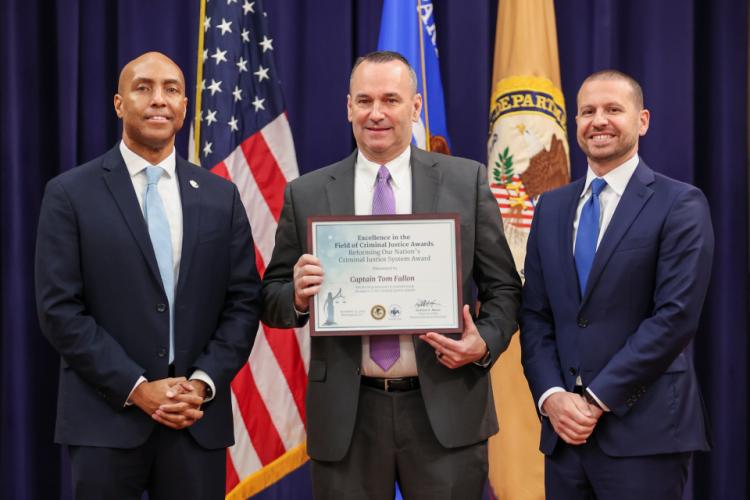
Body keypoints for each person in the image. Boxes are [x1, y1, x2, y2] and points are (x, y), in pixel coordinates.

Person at [261, 50, 521, 499]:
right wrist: (298, 297)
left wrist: (484, 343)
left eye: (391, 100)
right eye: (364, 101)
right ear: (348, 108)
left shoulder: (467, 182)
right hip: (348, 414)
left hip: (445, 408)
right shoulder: (308, 193)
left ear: (416, 107)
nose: (376, 113)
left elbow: (504, 290)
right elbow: (271, 297)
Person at [35, 52, 262, 499]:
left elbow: (242, 302)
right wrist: (136, 388)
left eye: (172, 89)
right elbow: (59, 309)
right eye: (143, 88)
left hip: (194, 421)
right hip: (105, 421)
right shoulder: (69, 193)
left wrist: (200, 384)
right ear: (120, 103)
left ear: (183, 106)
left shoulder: (222, 196)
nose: (159, 100)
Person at [520, 70, 714, 499]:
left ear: (642, 121)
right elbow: (535, 315)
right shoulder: (550, 208)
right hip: (565, 439)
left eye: (613, 109)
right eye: (587, 111)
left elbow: (675, 318)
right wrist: (552, 396)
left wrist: (595, 399)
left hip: (644, 436)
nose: (599, 120)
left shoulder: (680, 203)